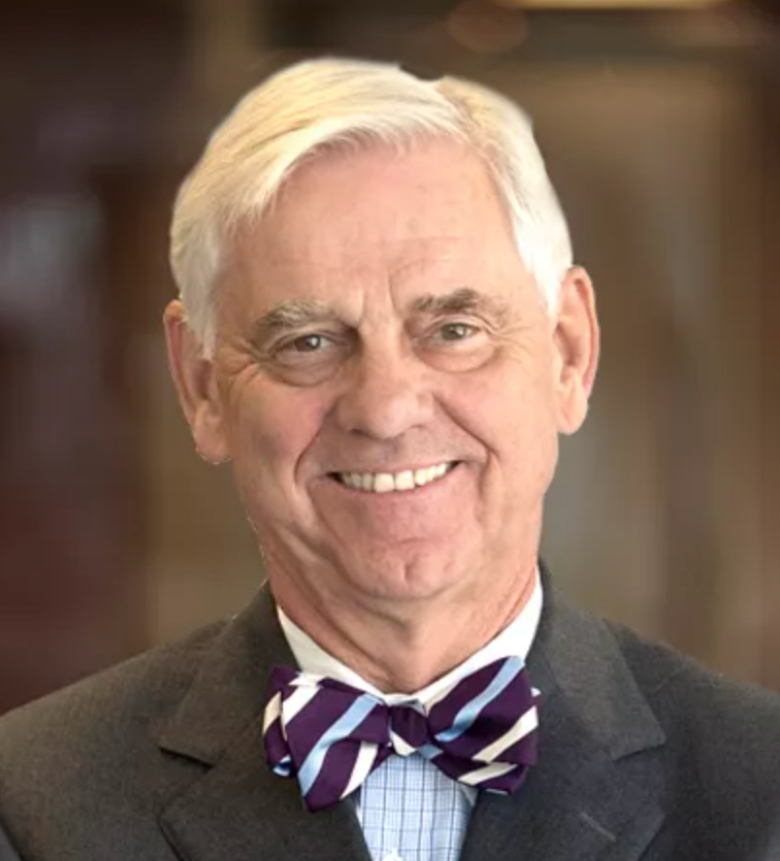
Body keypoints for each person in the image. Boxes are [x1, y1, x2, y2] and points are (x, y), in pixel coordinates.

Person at [0, 56, 779, 861]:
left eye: (453, 331)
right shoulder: (31, 807)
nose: (385, 409)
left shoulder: (763, 794)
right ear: (202, 386)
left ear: (568, 353)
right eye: (307, 342)